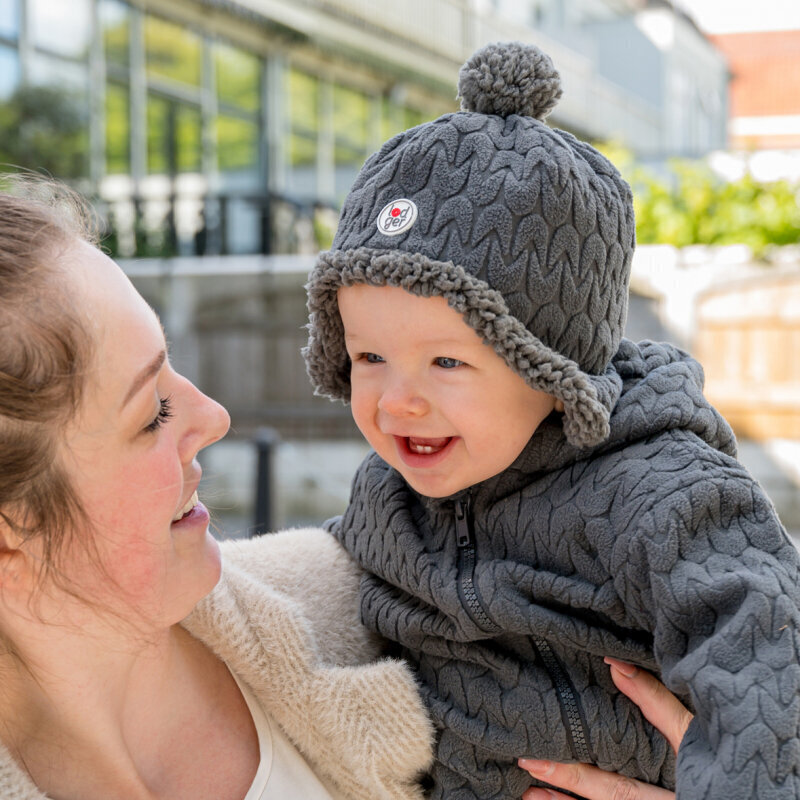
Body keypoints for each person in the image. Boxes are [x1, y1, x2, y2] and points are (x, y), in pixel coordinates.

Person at [0, 178, 690, 800]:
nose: (213, 417)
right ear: (12, 531)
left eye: (171, 367)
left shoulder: (391, 594)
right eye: (151, 414)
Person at [304, 41, 800, 800]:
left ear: (551, 368)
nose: (396, 399)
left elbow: (766, 651)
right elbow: (317, 588)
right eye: (370, 357)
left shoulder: (661, 494)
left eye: (446, 363)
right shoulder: (389, 496)